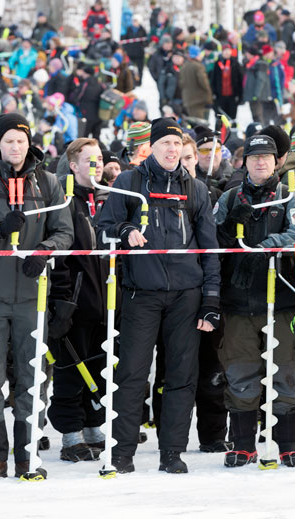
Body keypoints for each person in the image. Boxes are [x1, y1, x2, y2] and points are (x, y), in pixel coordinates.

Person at [96, 118, 221, 474]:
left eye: (176, 144)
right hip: (141, 293)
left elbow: (210, 249)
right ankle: (122, 452)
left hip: (187, 295)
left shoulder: (195, 189)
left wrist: (210, 299)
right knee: (132, 374)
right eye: (164, 143)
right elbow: (104, 226)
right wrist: (126, 230)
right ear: (151, 147)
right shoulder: (129, 181)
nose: (171, 150)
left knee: (182, 375)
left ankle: (172, 452)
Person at [0, 113, 73, 482]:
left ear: (29, 143)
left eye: (20, 140)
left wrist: (45, 251)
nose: (15, 147)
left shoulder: (48, 182)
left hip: (33, 296)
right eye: (8, 141)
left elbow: (64, 232)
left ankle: (28, 457)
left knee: (32, 379)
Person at [213, 134, 295, 467]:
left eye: (266, 157)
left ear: (277, 162)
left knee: (285, 371)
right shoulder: (228, 197)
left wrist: (271, 244)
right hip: (238, 301)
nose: (260, 162)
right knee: (240, 371)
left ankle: (289, 443)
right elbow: (212, 236)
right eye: (254, 157)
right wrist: (229, 226)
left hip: (279, 299)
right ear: (245, 162)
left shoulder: (289, 196)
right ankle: (242, 443)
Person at [48, 138, 108, 462]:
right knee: (71, 370)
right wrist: (61, 300)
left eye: (99, 159)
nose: (96, 165)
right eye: (89, 160)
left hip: (103, 302)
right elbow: (61, 256)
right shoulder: (66, 201)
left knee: (97, 368)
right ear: (74, 166)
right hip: (74, 301)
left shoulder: (104, 200)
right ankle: (70, 434)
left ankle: (93, 425)